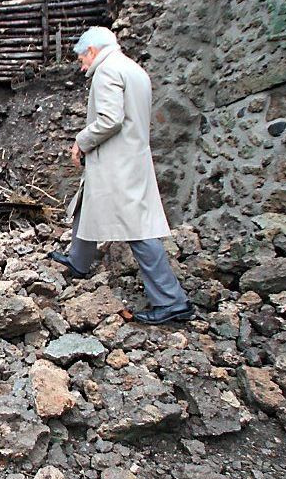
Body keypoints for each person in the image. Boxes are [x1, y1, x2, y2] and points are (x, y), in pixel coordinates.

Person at [47, 26, 194, 325]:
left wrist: (81, 141)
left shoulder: (106, 71)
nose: (82, 66)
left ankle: (171, 301)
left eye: (80, 59)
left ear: (91, 51)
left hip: (117, 162)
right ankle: (79, 260)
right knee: (87, 201)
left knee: (137, 230)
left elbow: (109, 120)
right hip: (130, 157)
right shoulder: (133, 69)